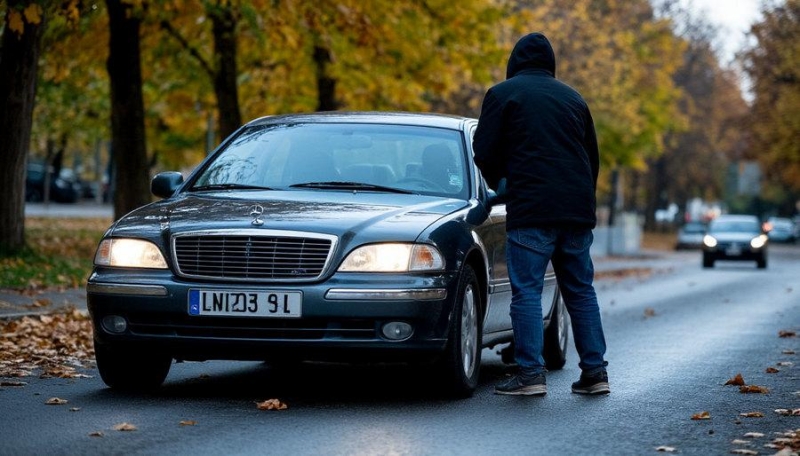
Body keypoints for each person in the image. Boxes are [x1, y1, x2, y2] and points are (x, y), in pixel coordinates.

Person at [473, 32, 609, 396]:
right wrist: (582, 199)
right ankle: (595, 373)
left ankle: (531, 375)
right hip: (575, 211)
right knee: (580, 290)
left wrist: (503, 182)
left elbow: (484, 151)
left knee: (528, 291)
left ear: (514, 61)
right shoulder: (574, 99)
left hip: (532, 208)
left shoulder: (503, 94)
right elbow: (591, 159)